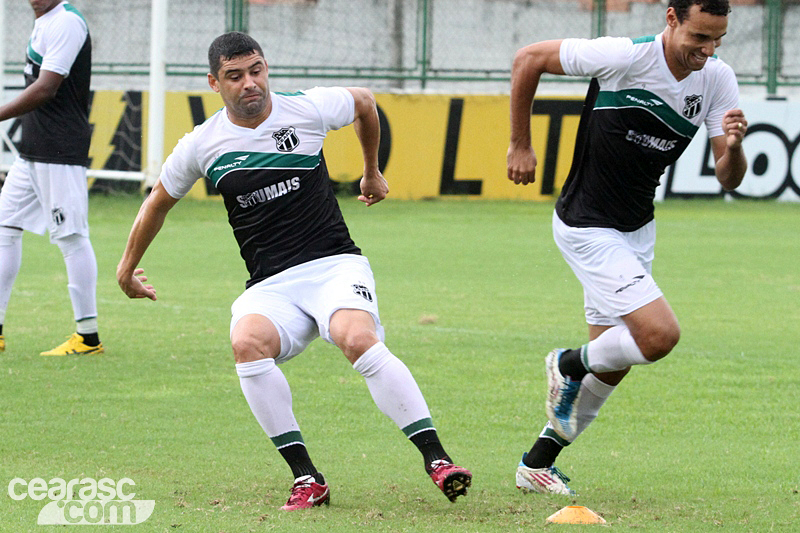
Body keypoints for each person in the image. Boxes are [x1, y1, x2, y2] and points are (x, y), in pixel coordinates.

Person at [116, 32, 472, 511]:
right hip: (271, 285)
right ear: (214, 83)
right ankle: (307, 478)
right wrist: (126, 268)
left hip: (333, 266)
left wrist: (372, 170)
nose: (250, 84)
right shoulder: (203, 144)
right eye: (235, 76)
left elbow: (366, 104)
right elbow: (157, 202)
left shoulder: (307, 108)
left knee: (355, 337)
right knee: (246, 344)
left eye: (256, 70)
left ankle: (437, 460)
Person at [506, 0, 747, 495]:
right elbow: (528, 58)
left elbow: (728, 177)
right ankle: (567, 363)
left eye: (717, 39)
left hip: (637, 229)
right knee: (658, 336)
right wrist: (520, 144)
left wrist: (736, 146)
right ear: (672, 19)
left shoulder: (717, 79)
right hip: (586, 223)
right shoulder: (623, 56)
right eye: (699, 37)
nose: (708, 50)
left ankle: (537, 464)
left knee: (615, 363)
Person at [0, 0, 102, 356]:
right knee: (4, 227)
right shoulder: (45, 21)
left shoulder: (66, 22)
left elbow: (47, 88)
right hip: (33, 149)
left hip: (58, 150)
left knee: (71, 237)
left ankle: (88, 337)